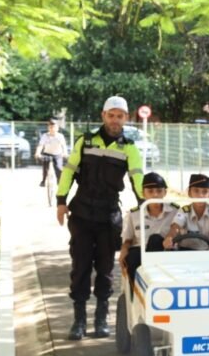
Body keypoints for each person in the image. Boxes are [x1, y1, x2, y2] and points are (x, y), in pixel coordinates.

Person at [56, 95, 144, 340]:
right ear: (103, 115)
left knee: (105, 269)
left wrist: (146, 209)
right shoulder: (85, 142)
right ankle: (79, 321)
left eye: (120, 116)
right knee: (81, 266)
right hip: (82, 214)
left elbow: (138, 179)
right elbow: (69, 172)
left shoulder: (129, 148)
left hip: (109, 217)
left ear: (126, 118)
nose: (115, 120)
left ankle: (101, 320)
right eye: (111, 115)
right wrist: (61, 202)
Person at [119, 172, 178, 291]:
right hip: (140, 253)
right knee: (132, 257)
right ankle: (135, 294)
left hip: (166, 253)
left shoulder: (175, 211)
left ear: (165, 193)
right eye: (150, 191)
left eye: (159, 191)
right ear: (142, 194)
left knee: (156, 239)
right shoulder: (134, 214)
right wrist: (123, 250)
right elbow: (128, 239)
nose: (155, 194)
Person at [163, 174, 209, 250]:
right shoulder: (184, 211)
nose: (200, 195)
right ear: (189, 193)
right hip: (184, 252)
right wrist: (169, 238)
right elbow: (175, 228)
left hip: (207, 253)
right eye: (196, 191)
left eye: (205, 192)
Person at [35, 118, 68, 187]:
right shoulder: (45, 136)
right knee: (45, 168)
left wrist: (65, 153)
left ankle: (59, 181)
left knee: (59, 168)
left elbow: (63, 146)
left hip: (57, 154)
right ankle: (43, 181)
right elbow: (40, 145)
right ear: (48, 128)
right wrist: (37, 153)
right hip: (47, 153)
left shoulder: (60, 136)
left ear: (57, 128)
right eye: (50, 127)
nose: (52, 128)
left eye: (53, 127)